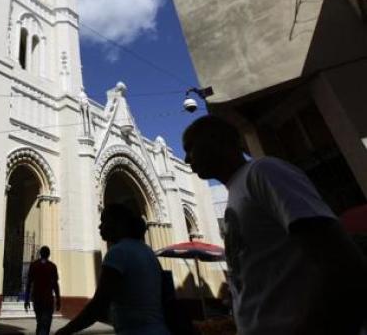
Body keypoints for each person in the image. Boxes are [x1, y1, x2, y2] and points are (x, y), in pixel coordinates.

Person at [182, 115, 367, 335]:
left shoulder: (263, 172)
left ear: (217, 141)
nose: (186, 159)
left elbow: (340, 259)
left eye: (190, 148)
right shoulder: (237, 192)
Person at [56, 204, 169, 335]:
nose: (100, 226)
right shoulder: (148, 252)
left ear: (119, 224)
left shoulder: (118, 253)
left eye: (104, 221)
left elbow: (99, 305)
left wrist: (65, 330)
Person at [25, 245, 61, 335]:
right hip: (48, 300)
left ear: (40, 254)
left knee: (40, 323)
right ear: (49, 254)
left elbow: (29, 283)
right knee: (45, 324)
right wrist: (58, 299)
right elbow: (55, 285)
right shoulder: (52, 266)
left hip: (37, 299)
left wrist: (26, 300)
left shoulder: (33, 265)